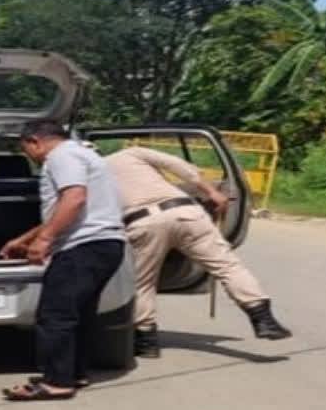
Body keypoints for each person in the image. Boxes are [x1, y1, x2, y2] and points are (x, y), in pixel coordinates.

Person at [104, 145, 291, 358]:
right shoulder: (131, 153)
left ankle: (147, 342)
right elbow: (179, 166)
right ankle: (262, 318)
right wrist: (212, 192)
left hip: (141, 223)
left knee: (143, 283)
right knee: (228, 266)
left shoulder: (90, 171)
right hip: (186, 213)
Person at [0, 121, 127, 401]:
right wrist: (26, 238)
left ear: (34, 141)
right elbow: (65, 207)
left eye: (25, 149)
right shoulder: (81, 153)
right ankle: (74, 373)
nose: (29, 156)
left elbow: (74, 199)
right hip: (104, 244)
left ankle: (56, 381)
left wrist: (44, 241)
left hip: (83, 246)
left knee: (55, 314)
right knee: (78, 315)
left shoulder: (61, 156)